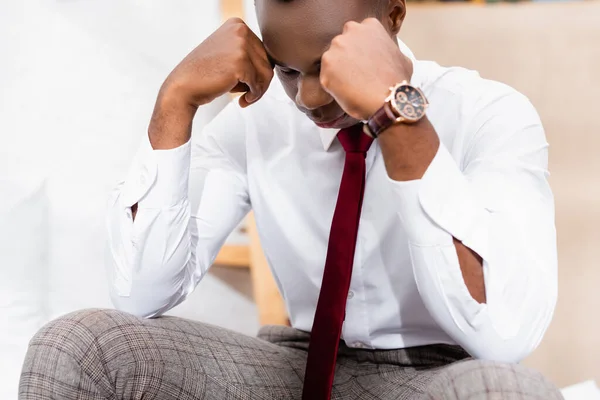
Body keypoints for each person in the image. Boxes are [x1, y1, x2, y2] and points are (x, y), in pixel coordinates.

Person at [19, 0, 563, 399]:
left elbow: (504, 334)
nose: (308, 97)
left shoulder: (491, 114)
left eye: (328, 64)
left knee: (506, 392)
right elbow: (140, 295)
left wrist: (396, 117)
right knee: (77, 345)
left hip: (436, 375)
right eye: (286, 70)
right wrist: (175, 102)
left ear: (393, 16)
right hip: (294, 367)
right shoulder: (256, 124)